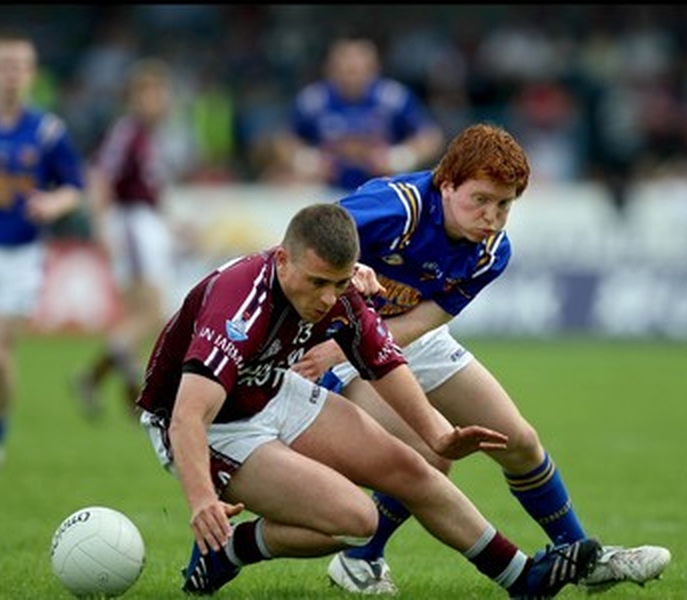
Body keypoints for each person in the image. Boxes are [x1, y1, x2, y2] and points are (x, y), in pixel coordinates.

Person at [136, 202, 602, 598]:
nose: (327, 298)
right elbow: (187, 417)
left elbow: (385, 365)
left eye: (337, 284)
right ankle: (228, 550)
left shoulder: (344, 292)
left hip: (270, 387)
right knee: (356, 520)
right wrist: (201, 503)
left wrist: (440, 436)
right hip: (211, 423)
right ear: (281, 260)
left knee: (414, 467)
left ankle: (522, 577)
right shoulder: (240, 303)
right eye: (317, 282)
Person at [290, 124, 672, 594]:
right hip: (334, 341)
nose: (492, 216)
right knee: (431, 452)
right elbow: (304, 247)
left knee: (519, 441)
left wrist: (366, 338)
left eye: (505, 204)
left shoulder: (491, 252)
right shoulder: (394, 208)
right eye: (481, 200)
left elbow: (422, 322)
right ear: (447, 184)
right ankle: (359, 557)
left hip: (397, 334)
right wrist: (333, 341)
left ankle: (580, 557)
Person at [0, 30, 86, 468]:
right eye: (4, 65)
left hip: (20, 256)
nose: (12, 75)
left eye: (21, 66)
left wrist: (54, 202)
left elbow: (76, 185)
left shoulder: (47, 131)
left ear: (32, 74)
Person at [74, 57, 184, 419]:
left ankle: (96, 378)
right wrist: (102, 225)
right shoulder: (127, 131)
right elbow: (101, 176)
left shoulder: (148, 136)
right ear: (135, 97)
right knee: (150, 311)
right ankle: (131, 382)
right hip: (131, 224)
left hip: (145, 222)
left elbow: (154, 187)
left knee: (143, 312)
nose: (158, 101)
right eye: (150, 94)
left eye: (161, 93)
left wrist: (171, 225)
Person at [272, 36, 445, 192]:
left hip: (382, 190)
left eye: (357, 68)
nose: (351, 76)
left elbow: (430, 137)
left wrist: (398, 157)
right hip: (325, 189)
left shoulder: (393, 98)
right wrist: (308, 161)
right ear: (330, 68)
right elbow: (283, 140)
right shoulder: (313, 100)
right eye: (345, 68)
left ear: (374, 68)